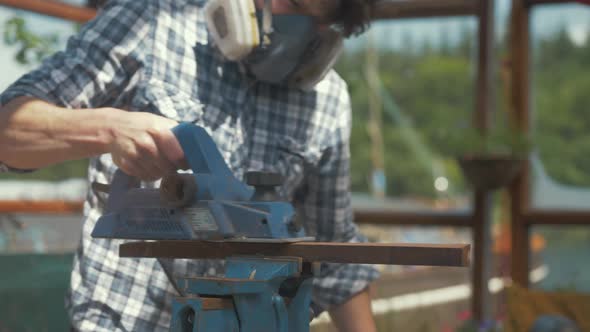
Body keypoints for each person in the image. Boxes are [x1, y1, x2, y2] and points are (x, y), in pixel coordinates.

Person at [0, 0, 380, 330]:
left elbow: (336, 256)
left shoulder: (328, 100)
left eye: (322, 18)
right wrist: (110, 128)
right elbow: (9, 131)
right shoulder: (152, 22)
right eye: (295, 3)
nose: (301, 31)